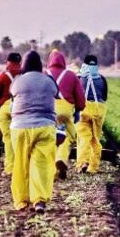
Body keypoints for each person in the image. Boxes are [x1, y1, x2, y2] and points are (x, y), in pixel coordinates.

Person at [9, 51, 58, 213]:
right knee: (42, 163)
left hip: (20, 127)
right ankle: (39, 200)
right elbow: (55, 93)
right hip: (45, 125)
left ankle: (21, 201)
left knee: (21, 164)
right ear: (39, 65)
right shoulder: (48, 81)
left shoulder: (17, 81)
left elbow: (12, 95)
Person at [45, 50, 86, 180]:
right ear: (63, 61)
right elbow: (80, 98)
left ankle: (51, 170)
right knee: (68, 137)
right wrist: (78, 110)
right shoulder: (71, 75)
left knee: (48, 138)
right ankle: (61, 158)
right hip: (65, 111)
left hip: (48, 110)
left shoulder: (43, 74)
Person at [0, 52, 22, 176]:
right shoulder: (24, 75)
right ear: (20, 62)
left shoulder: (3, 77)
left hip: (5, 109)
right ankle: (21, 167)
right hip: (19, 109)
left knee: (8, 139)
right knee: (20, 139)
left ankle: (10, 168)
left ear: (8, 62)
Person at [75, 54, 108, 173]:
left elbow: (76, 96)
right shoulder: (102, 79)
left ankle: (83, 162)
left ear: (85, 64)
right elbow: (104, 97)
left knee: (84, 137)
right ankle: (93, 167)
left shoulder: (79, 78)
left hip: (83, 110)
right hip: (98, 111)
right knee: (95, 139)